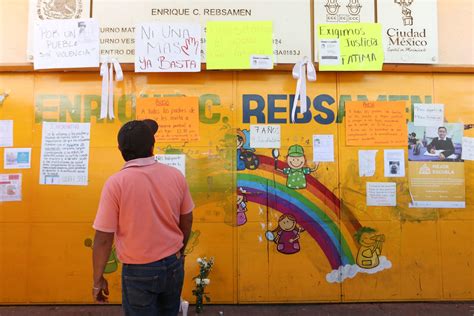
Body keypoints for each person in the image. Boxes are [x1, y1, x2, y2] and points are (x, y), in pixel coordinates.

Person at [92, 119, 194, 315]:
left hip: (138, 271)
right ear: (152, 146)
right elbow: (187, 219)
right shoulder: (175, 175)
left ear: (120, 149)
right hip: (173, 264)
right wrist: (180, 251)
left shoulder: (116, 183)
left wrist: (98, 279)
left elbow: (103, 239)